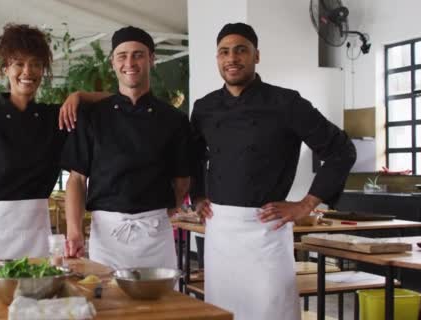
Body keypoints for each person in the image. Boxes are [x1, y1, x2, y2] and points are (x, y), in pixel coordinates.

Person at [190, 23, 356, 320]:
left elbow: (341, 150)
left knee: (271, 310)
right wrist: (198, 195)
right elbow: (193, 156)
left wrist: (306, 204)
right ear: (217, 58)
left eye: (241, 50)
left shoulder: (286, 102)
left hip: (266, 229)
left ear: (256, 55)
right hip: (220, 232)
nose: (232, 58)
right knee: (221, 312)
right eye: (224, 52)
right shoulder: (204, 108)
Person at [0, 23, 108, 260]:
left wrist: (79, 96)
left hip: (37, 239)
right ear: (5, 69)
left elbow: (115, 101)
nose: (27, 72)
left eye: (35, 64)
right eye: (19, 63)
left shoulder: (56, 119)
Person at [61, 26, 191, 270]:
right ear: (112, 62)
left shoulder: (173, 120)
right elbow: (77, 179)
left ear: (152, 60)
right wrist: (74, 232)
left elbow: (182, 181)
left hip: (155, 236)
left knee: (163, 307)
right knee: (107, 305)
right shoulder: (92, 116)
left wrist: (156, 215)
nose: (129, 62)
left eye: (138, 55)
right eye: (122, 56)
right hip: (107, 236)